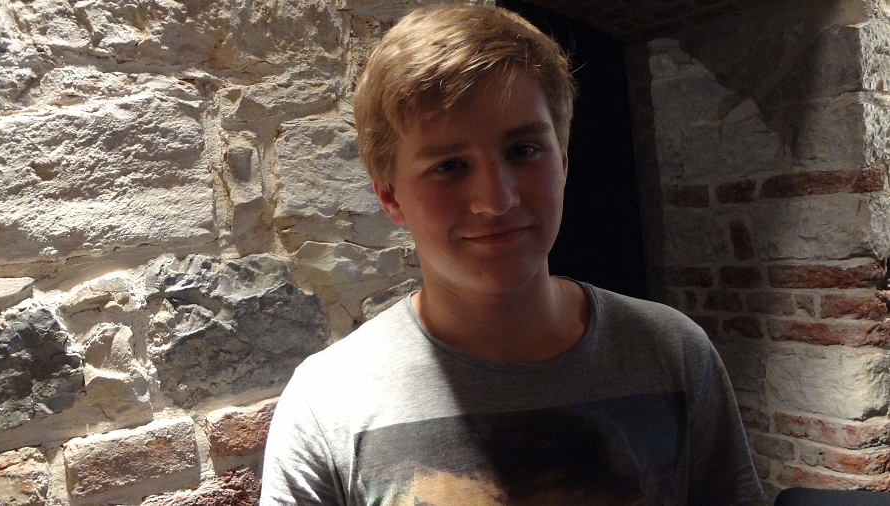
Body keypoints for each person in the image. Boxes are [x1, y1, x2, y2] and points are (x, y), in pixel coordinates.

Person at [261, 5, 763, 505]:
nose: (496, 200)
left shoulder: (672, 353)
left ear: (562, 162)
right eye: (449, 166)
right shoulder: (327, 406)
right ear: (390, 195)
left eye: (523, 151)